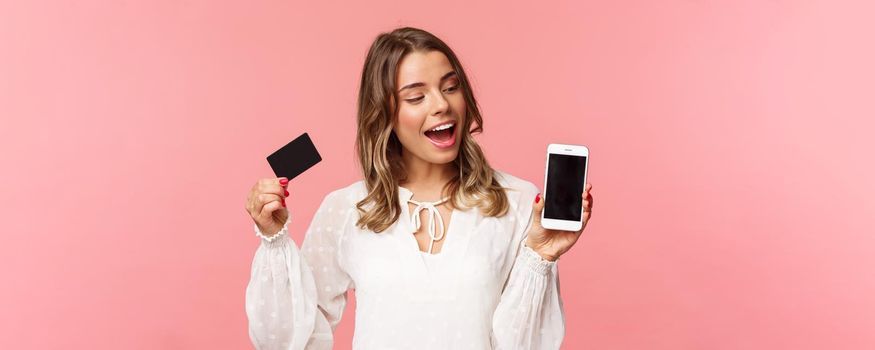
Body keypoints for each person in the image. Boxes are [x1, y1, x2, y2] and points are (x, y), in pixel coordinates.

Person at [243, 27, 594, 350]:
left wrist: (540, 256)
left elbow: (524, 345)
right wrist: (274, 240)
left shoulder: (516, 202)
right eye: (416, 97)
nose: (442, 104)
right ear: (385, 115)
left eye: (450, 87)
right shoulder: (347, 208)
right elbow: (289, 341)